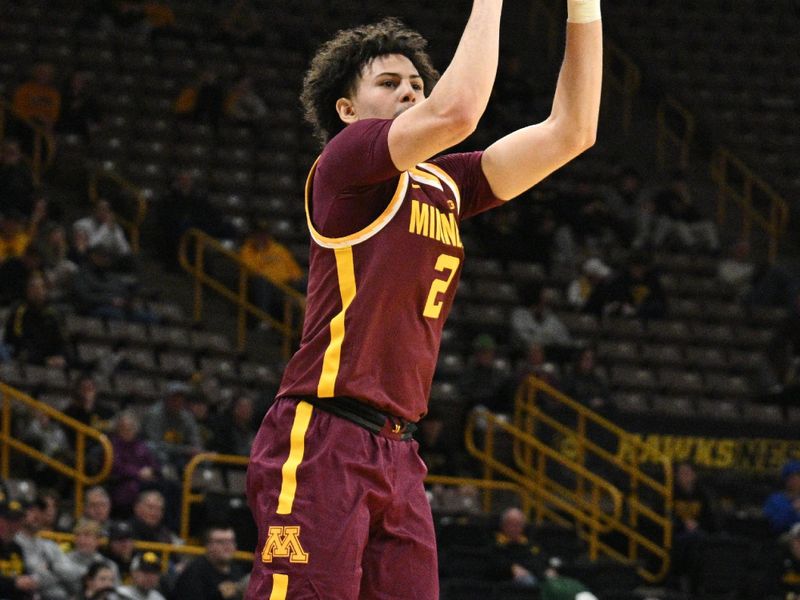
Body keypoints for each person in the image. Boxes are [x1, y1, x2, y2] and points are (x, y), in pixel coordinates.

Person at [245, 1, 603, 597]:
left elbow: (573, 131)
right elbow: (457, 111)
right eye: (389, 83)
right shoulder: (345, 163)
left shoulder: (446, 185)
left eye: (417, 83)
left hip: (399, 450)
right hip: (323, 438)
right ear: (347, 109)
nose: (410, 93)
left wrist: (583, 6)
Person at [14, 497, 83, 600]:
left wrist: (50, 568)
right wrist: (57, 574)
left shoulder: (50, 546)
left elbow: (74, 573)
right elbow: (27, 581)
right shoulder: (12, 543)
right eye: (31, 511)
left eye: (40, 511)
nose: (36, 515)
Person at [239, 219, 306, 323]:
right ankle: (264, 320)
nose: (262, 237)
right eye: (259, 234)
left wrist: (295, 279)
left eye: (264, 234)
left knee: (309, 282)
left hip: (287, 284)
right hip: (269, 286)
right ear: (253, 235)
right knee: (261, 283)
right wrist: (261, 254)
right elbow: (251, 270)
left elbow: (293, 268)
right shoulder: (247, 250)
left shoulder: (278, 249)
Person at [3, 272, 71, 367]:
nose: (37, 291)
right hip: (25, 357)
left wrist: (60, 356)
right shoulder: (19, 310)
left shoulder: (54, 313)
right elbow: (17, 341)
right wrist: (43, 360)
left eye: (40, 288)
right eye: (33, 288)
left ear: (46, 290)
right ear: (27, 290)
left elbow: (61, 340)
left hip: (50, 358)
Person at [109, 411, 162, 518]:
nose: (128, 431)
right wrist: (138, 473)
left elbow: (153, 463)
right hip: (125, 481)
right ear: (118, 429)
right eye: (124, 428)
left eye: (131, 428)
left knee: (170, 486)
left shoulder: (141, 445)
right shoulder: (112, 445)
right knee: (131, 489)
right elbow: (117, 466)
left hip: (146, 480)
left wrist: (152, 471)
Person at [171, 525, 247, 599]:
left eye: (231, 541)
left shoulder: (236, 570)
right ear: (208, 545)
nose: (227, 546)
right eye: (220, 542)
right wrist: (218, 595)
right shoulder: (194, 573)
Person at [488, 507, 546, 587]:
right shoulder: (496, 543)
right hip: (508, 583)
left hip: (535, 575)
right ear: (503, 525)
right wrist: (511, 568)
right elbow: (495, 564)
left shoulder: (530, 544)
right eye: (511, 524)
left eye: (519, 524)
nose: (515, 528)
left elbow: (540, 559)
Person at [72, 200, 134, 273]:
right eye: (101, 209)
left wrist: (115, 233)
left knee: (131, 261)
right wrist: (105, 229)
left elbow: (125, 251)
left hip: (111, 261)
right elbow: (88, 246)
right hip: (91, 260)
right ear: (94, 210)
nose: (103, 213)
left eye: (107, 210)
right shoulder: (82, 224)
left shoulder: (115, 227)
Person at [0, 499, 37, 600]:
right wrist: (14, 583)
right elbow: (17, 582)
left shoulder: (17, 548)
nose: (13, 526)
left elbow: (24, 577)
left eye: (17, 520)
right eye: (9, 520)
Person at [67, 519, 121, 588]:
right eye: (78, 535)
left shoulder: (110, 566)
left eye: (87, 536)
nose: (82, 540)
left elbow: (115, 593)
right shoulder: (63, 560)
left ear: (97, 540)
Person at [765, 460, 800, 535]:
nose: (796, 480)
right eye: (792, 477)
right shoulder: (775, 500)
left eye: (798, 476)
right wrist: (793, 509)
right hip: (785, 537)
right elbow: (774, 525)